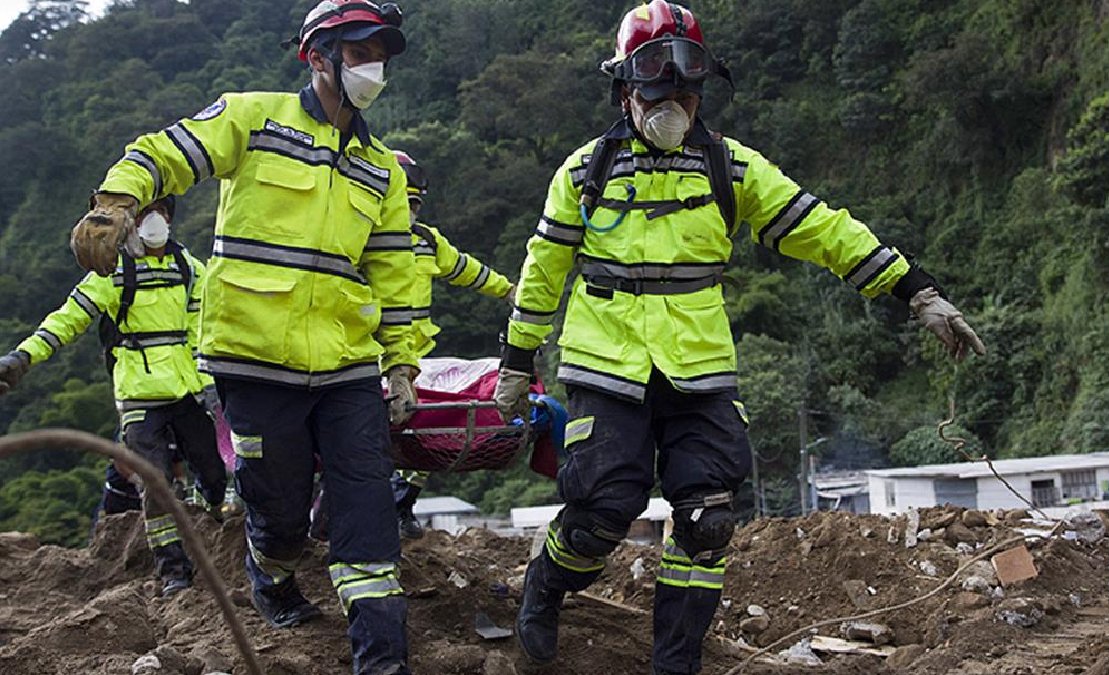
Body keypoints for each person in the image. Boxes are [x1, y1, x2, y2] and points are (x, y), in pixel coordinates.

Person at [492, 2, 987, 674]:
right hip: (605, 365)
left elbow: (822, 227)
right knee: (603, 509)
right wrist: (517, 360)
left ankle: (676, 665)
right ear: (625, 89)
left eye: (686, 87)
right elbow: (542, 273)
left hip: (698, 369)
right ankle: (545, 584)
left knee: (707, 523)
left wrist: (914, 289)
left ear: (702, 89)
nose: (672, 100)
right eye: (655, 85)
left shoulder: (732, 168)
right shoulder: (585, 173)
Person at [65, 1, 420, 672]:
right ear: (317, 57)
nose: (374, 67)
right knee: (280, 512)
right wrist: (115, 202)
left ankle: (382, 658)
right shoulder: (252, 119)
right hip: (255, 361)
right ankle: (271, 567)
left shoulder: (383, 169)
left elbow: (396, 274)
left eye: (381, 54)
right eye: (359, 52)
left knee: (368, 507)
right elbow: (162, 153)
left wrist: (401, 364)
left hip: (346, 365)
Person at [0, 196, 227, 597]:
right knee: (155, 484)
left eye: (158, 212)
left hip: (188, 390)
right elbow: (68, 318)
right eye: (141, 214)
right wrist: (23, 357)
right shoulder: (113, 273)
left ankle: (214, 535)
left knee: (212, 473)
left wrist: (210, 384)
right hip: (139, 395)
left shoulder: (190, 269)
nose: (151, 220)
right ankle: (174, 571)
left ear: (170, 217)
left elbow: (204, 328)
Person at [390, 149, 515, 539]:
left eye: (414, 203)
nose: (409, 211)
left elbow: (465, 269)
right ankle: (345, 506)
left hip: (417, 356)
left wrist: (508, 290)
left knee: (422, 431)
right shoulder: (353, 241)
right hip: (367, 356)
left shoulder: (427, 241)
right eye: (403, 201)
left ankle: (401, 504)